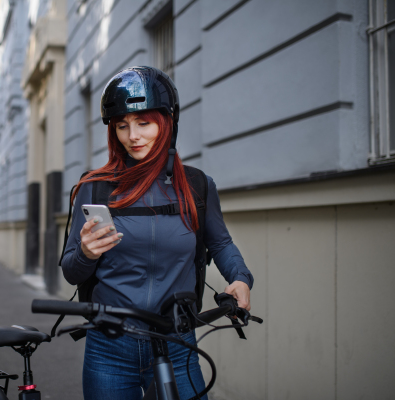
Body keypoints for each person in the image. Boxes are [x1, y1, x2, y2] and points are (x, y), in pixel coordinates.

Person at [61, 66, 254, 400]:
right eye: (122, 126)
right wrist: (86, 253)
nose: (132, 136)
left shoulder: (197, 186)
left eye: (143, 123)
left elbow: (220, 243)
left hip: (176, 342)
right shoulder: (94, 188)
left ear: (167, 124)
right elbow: (71, 271)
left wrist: (240, 277)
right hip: (109, 345)